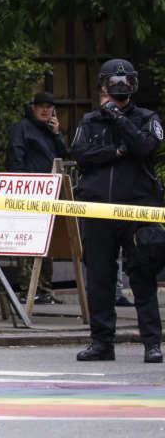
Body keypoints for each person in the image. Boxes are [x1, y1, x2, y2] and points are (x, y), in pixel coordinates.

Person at [72, 58, 164, 363]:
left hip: (137, 210)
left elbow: (145, 149)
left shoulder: (147, 118)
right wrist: (115, 152)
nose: (119, 88)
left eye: (125, 83)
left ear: (133, 85)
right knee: (99, 277)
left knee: (142, 277)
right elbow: (81, 155)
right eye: (114, 84)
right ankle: (102, 342)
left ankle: (152, 343)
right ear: (104, 85)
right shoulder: (90, 121)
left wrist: (120, 120)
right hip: (99, 209)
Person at [5, 91, 69, 305]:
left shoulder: (50, 131)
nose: (45, 110)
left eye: (49, 107)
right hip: (29, 192)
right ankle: (28, 288)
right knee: (28, 240)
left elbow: (63, 155)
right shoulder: (22, 128)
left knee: (46, 243)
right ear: (33, 107)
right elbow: (15, 158)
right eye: (40, 106)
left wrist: (57, 134)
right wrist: (22, 187)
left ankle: (44, 288)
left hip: (49, 192)